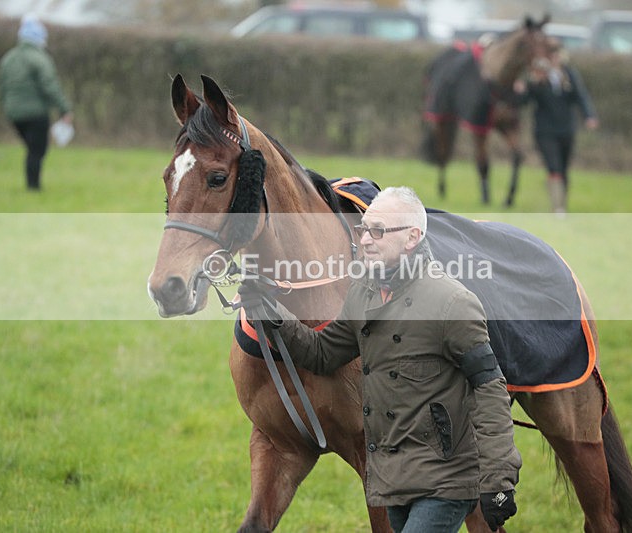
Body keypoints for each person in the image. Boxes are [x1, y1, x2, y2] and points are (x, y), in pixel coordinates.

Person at [238, 187, 522, 533]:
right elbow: (322, 353)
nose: (366, 241)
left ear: (412, 238)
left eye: (379, 231)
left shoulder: (452, 303)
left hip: (444, 481)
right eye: (364, 229)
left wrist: (499, 479)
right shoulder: (364, 293)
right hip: (393, 480)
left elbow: (489, 389)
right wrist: (272, 313)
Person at [515, 37, 598, 216]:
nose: (554, 58)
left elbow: (580, 96)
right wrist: (526, 88)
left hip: (566, 129)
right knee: (553, 166)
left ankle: (562, 203)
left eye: (556, 53)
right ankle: (557, 207)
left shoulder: (568, 74)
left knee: (564, 167)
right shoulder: (536, 76)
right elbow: (524, 101)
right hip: (545, 131)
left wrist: (589, 116)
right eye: (551, 54)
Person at [0, 14, 73, 191]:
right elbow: (50, 86)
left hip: (13, 113)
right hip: (35, 113)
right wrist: (65, 109)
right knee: (37, 150)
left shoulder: (8, 58)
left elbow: (2, 87)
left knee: (32, 149)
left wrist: (6, 107)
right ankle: (33, 188)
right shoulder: (40, 59)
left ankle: (32, 186)